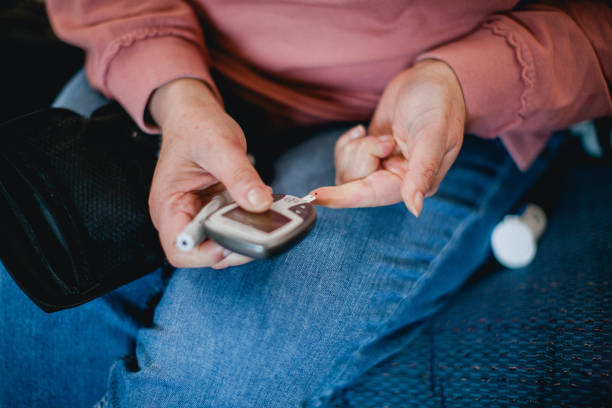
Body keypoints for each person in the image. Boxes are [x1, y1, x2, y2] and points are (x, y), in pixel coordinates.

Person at [1, 1, 611, 407]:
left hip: (445, 109)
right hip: (169, 66)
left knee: (206, 383)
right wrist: (172, 93)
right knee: (35, 304)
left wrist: (470, 78)